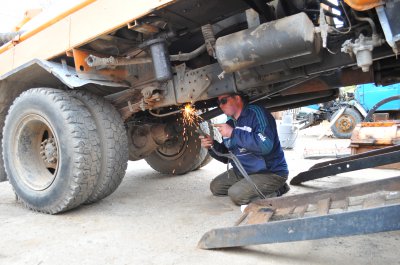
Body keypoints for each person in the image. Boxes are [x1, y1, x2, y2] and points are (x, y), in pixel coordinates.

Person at [200, 93, 290, 205]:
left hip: (270, 172)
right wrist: (212, 145)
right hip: (244, 171)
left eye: (223, 101)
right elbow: (227, 157)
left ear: (237, 98)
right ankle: (254, 187)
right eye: (218, 103)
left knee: (236, 195)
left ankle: (279, 189)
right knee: (216, 187)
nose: (221, 106)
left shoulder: (256, 113)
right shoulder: (229, 123)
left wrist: (233, 133)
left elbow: (265, 145)